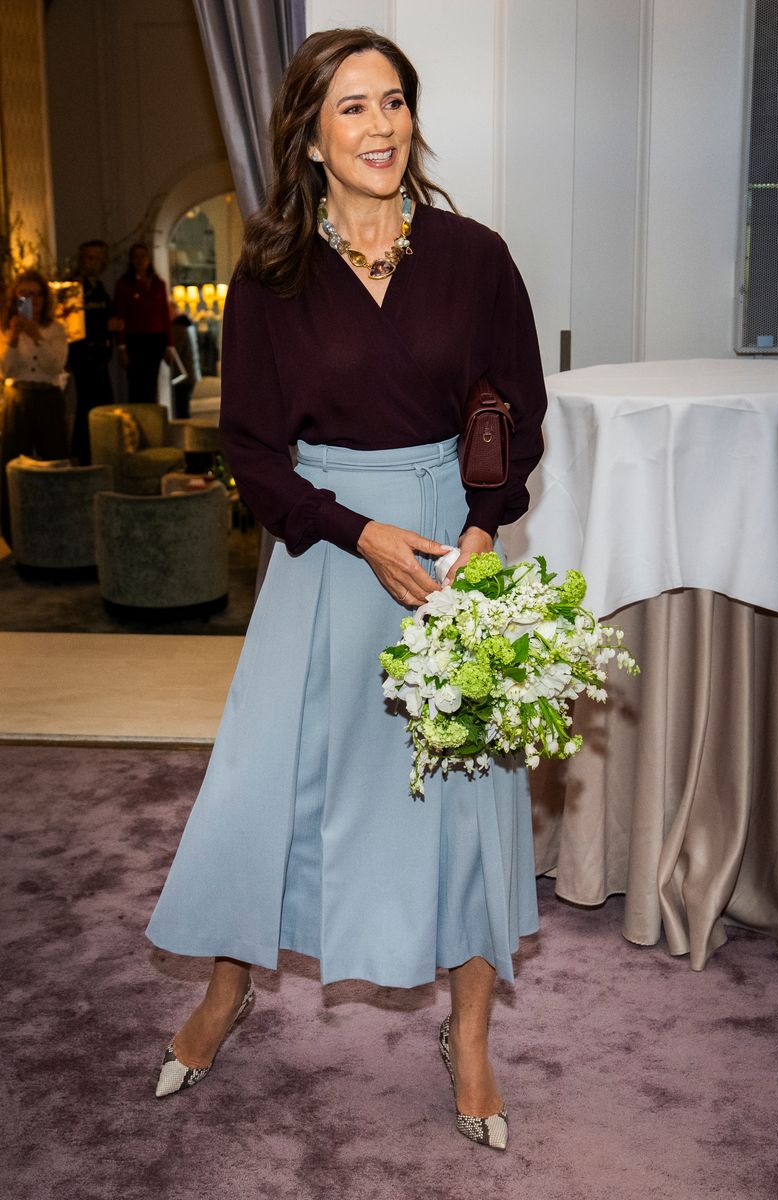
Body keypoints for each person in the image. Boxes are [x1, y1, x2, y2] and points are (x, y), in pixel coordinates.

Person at [146, 28, 547, 1152]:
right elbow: (254, 452)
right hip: (327, 553)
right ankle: (226, 990)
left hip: (448, 552)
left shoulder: (473, 257)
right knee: (275, 790)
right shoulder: (271, 277)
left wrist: (478, 527)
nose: (379, 128)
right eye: (352, 109)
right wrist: (351, 530)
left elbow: (508, 409)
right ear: (311, 138)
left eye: (393, 103)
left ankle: (466, 1034)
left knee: (465, 803)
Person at [0, 270, 69, 546]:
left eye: (36, 294)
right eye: (24, 295)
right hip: (18, 397)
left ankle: (58, 528)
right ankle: (14, 534)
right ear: (15, 299)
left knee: (55, 459)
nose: (31, 300)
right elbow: (5, 369)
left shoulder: (56, 330)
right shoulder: (7, 329)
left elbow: (55, 366)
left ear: (44, 298)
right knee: (11, 465)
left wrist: (37, 337)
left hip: (48, 397)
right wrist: (16, 339)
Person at [68, 239, 120, 463]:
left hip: (100, 356)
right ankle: (84, 456)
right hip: (83, 356)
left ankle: (99, 455)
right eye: (91, 258)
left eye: (99, 258)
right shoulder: (73, 286)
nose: (95, 263)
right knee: (87, 407)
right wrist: (104, 326)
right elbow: (72, 325)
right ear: (81, 258)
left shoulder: (97, 285)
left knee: (102, 405)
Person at [113, 243, 172, 403]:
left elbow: (165, 314)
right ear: (131, 260)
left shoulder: (158, 284)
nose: (140, 261)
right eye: (136, 257)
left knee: (151, 384)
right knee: (136, 385)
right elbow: (120, 316)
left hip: (155, 339)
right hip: (136, 340)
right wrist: (122, 346)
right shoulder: (124, 284)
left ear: (149, 259)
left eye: (143, 256)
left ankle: (151, 421)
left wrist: (169, 345)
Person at [169, 301, 201, 419]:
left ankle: (185, 435)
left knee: (181, 409)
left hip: (183, 376)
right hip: (190, 373)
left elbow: (176, 351)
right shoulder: (188, 325)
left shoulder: (178, 328)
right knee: (183, 407)